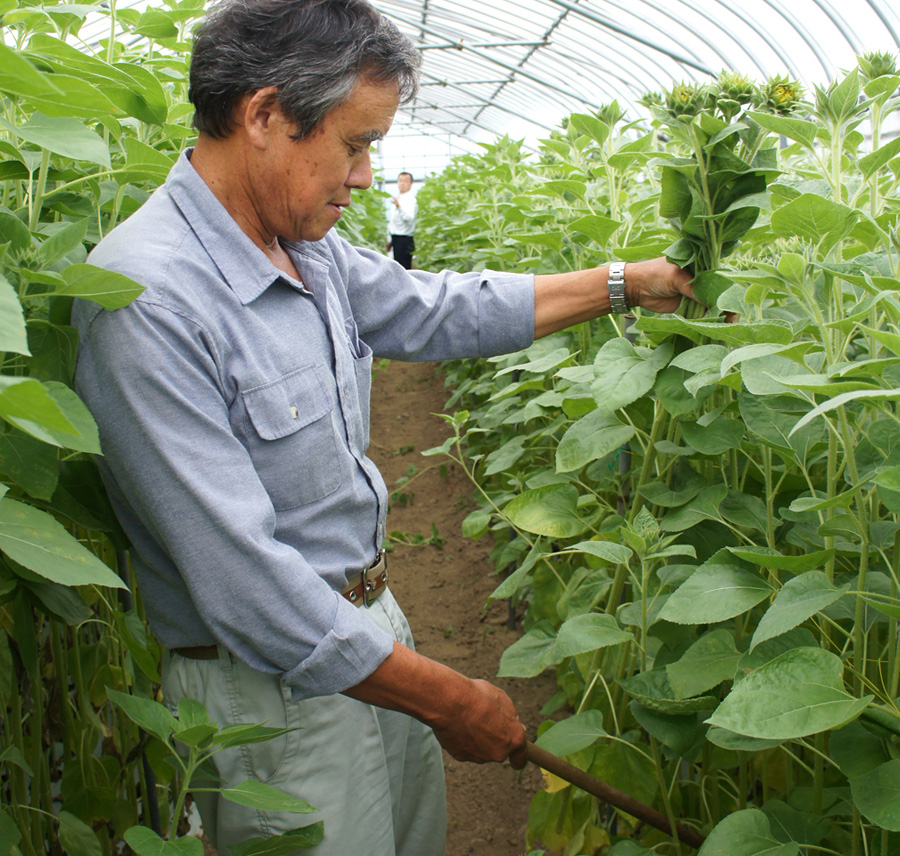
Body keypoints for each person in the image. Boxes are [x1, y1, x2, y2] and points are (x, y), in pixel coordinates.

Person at [71, 1, 694, 854]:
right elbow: (246, 585)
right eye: (355, 144)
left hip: (374, 628)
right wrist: (445, 697)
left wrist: (624, 282)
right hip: (267, 697)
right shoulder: (147, 300)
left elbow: (441, 310)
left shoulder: (302, 246)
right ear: (263, 115)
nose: (365, 177)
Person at [386, 171, 416, 269]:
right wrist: (389, 239)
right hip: (396, 239)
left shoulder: (411, 200)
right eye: (400, 181)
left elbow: (409, 219)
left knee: (404, 270)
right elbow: (392, 221)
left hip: (405, 240)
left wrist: (399, 206)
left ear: (410, 184)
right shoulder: (397, 198)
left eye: (406, 181)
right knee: (396, 269)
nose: (402, 183)